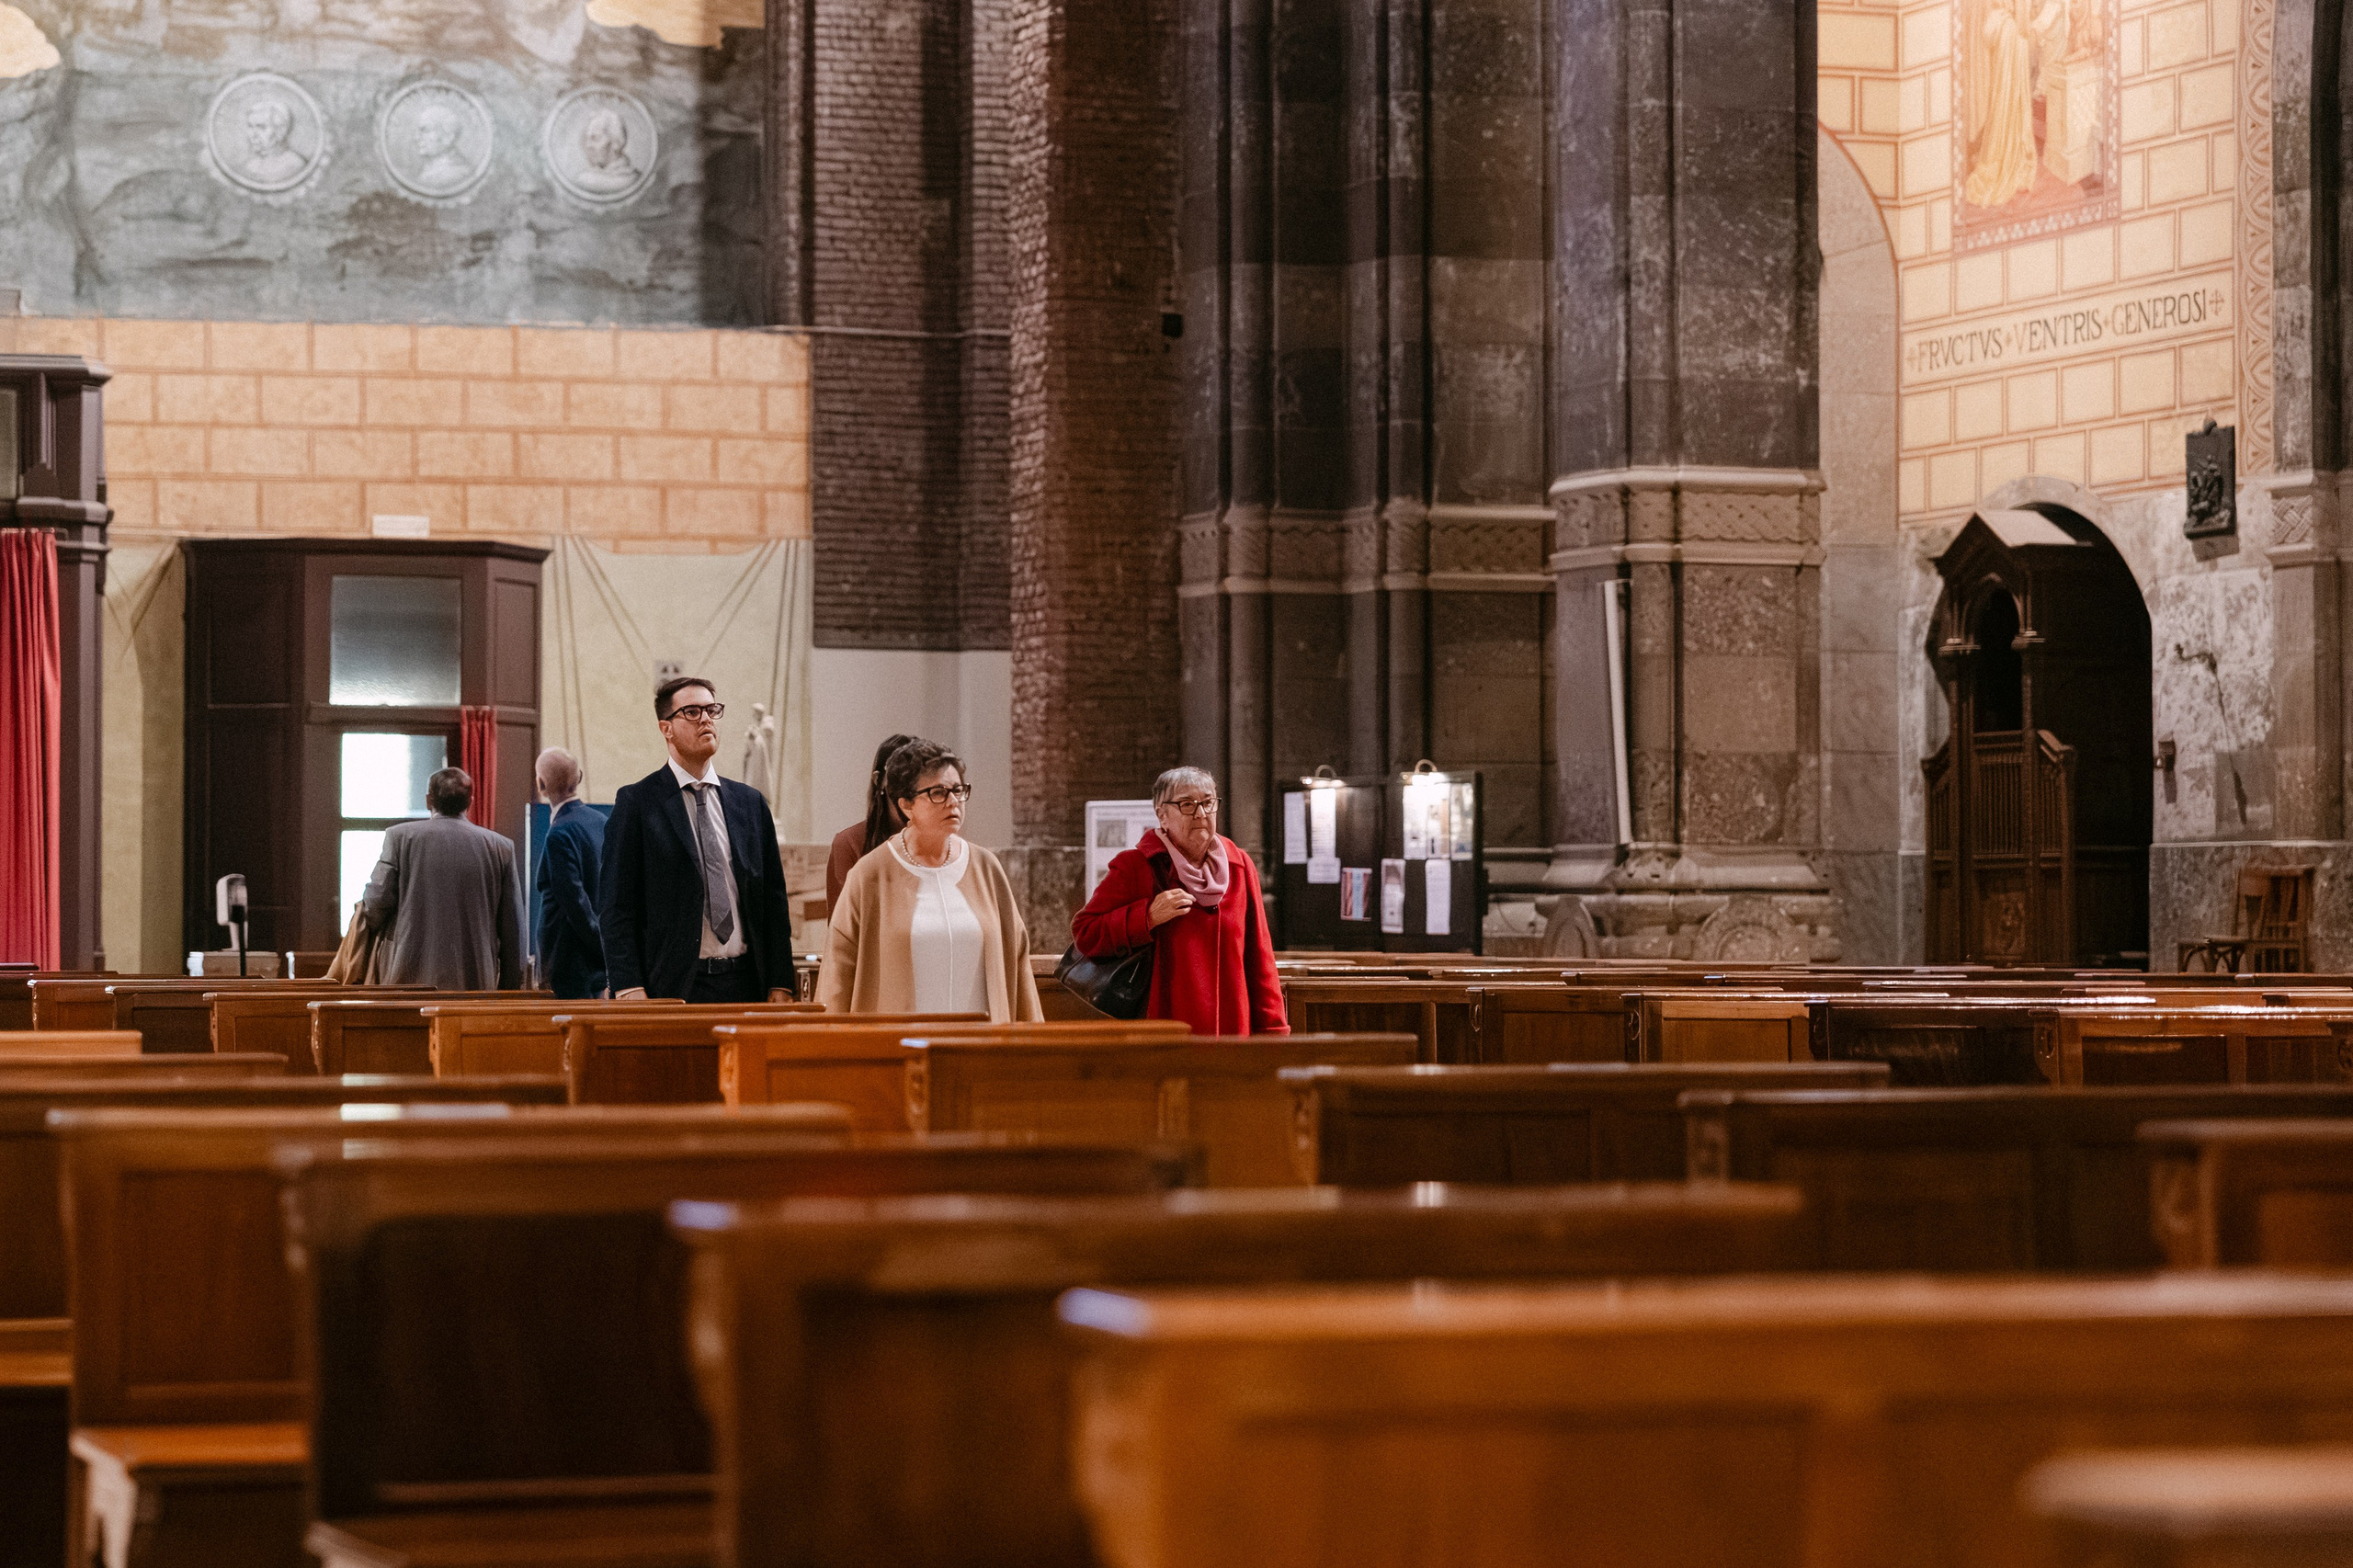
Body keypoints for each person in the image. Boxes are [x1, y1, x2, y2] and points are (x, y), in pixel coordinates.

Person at [599, 676, 795, 1003]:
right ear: (667, 729)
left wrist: (780, 981)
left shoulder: (749, 804)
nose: (705, 719)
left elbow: (773, 901)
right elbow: (616, 906)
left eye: (711, 710)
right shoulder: (639, 803)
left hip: (747, 983)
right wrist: (628, 985)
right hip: (675, 986)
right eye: (692, 712)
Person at [819, 739, 1041, 1020]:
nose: (953, 802)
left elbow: (1018, 967)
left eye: (958, 791)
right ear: (907, 805)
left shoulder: (986, 869)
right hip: (899, 1051)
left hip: (981, 1049)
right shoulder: (870, 875)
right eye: (938, 792)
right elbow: (837, 976)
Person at [1070, 766, 1287, 1036]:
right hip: (1166, 1034)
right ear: (1162, 816)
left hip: (1231, 1035)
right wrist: (1146, 917)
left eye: (1208, 803)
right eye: (1187, 804)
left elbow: (1260, 959)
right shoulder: (1137, 866)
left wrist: (1274, 1032)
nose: (1201, 813)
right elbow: (1086, 932)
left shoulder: (1239, 865)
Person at [361, 767, 525, 991]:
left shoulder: (399, 838)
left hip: (408, 984)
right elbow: (512, 932)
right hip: (475, 986)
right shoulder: (500, 848)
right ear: (471, 802)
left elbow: (374, 905)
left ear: (429, 801)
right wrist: (509, 991)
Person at [533, 746, 606, 999]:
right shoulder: (601, 822)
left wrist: (602, 948)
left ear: (541, 784)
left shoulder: (559, 833)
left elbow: (574, 903)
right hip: (596, 967)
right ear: (580, 778)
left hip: (567, 965)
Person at [824, 733, 914, 917]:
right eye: (899, 777)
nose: (909, 788)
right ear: (879, 780)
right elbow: (843, 929)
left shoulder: (939, 844)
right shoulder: (849, 843)